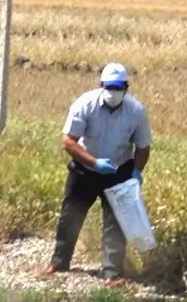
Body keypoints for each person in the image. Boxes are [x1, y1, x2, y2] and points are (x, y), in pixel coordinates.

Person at [41, 62, 152, 287]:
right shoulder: (85, 104)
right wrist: (93, 162)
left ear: (126, 88)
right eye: (110, 87)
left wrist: (136, 173)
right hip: (85, 169)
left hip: (119, 171)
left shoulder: (136, 112)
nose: (114, 92)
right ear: (102, 85)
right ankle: (59, 263)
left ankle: (111, 272)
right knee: (70, 216)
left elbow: (143, 147)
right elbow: (68, 141)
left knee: (115, 223)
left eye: (119, 87)